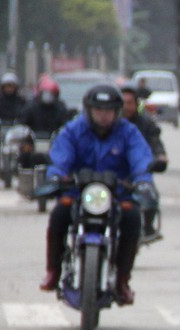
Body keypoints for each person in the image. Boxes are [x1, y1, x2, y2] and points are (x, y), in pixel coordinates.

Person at [40, 84, 154, 305]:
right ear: (89, 110)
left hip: (118, 195)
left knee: (132, 218)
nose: (103, 116)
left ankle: (122, 280)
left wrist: (143, 182)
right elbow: (60, 158)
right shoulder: (74, 130)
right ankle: (53, 272)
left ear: (117, 111)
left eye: (108, 111)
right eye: (98, 110)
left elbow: (141, 159)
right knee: (59, 213)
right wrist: (56, 176)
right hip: (78, 193)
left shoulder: (128, 132)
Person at [120, 84, 168, 239]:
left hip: (138, 172)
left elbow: (155, 141)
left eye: (129, 103)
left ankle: (147, 227)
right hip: (113, 173)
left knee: (149, 194)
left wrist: (160, 156)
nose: (126, 107)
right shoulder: (107, 125)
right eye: (122, 103)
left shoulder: (145, 123)